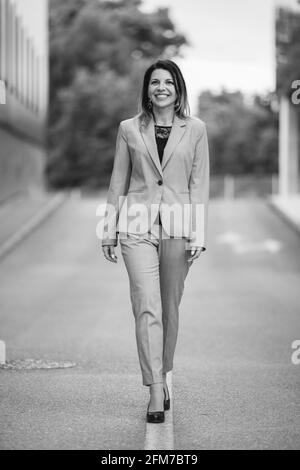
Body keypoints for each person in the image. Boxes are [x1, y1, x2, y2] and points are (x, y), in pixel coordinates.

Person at [101, 59, 210, 423]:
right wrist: (108, 228)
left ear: (178, 89)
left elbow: (198, 184)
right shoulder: (129, 129)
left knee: (169, 309)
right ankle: (155, 389)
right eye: (154, 83)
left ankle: (163, 375)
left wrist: (199, 232)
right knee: (146, 306)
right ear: (147, 90)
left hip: (178, 225)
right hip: (136, 225)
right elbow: (118, 181)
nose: (161, 87)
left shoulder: (195, 130)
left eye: (168, 82)